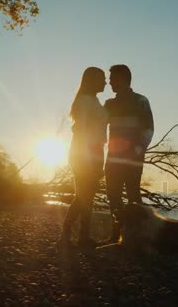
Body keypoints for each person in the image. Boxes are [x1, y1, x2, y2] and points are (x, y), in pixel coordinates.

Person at [57, 67, 108, 249]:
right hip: (84, 151)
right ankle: (71, 236)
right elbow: (82, 130)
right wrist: (88, 158)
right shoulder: (86, 101)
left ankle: (79, 237)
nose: (106, 82)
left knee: (86, 196)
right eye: (102, 79)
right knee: (84, 196)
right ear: (92, 79)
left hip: (94, 150)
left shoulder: (93, 100)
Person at [104, 64, 154, 243]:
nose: (110, 82)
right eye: (109, 80)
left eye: (112, 79)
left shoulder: (141, 101)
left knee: (133, 195)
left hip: (133, 158)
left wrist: (138, 149)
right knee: (113, 195)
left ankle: (140, 234)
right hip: (112, 158)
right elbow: (100, 126)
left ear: (123, 79)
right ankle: (116, 234)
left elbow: (149, 128)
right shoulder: (109, 104)